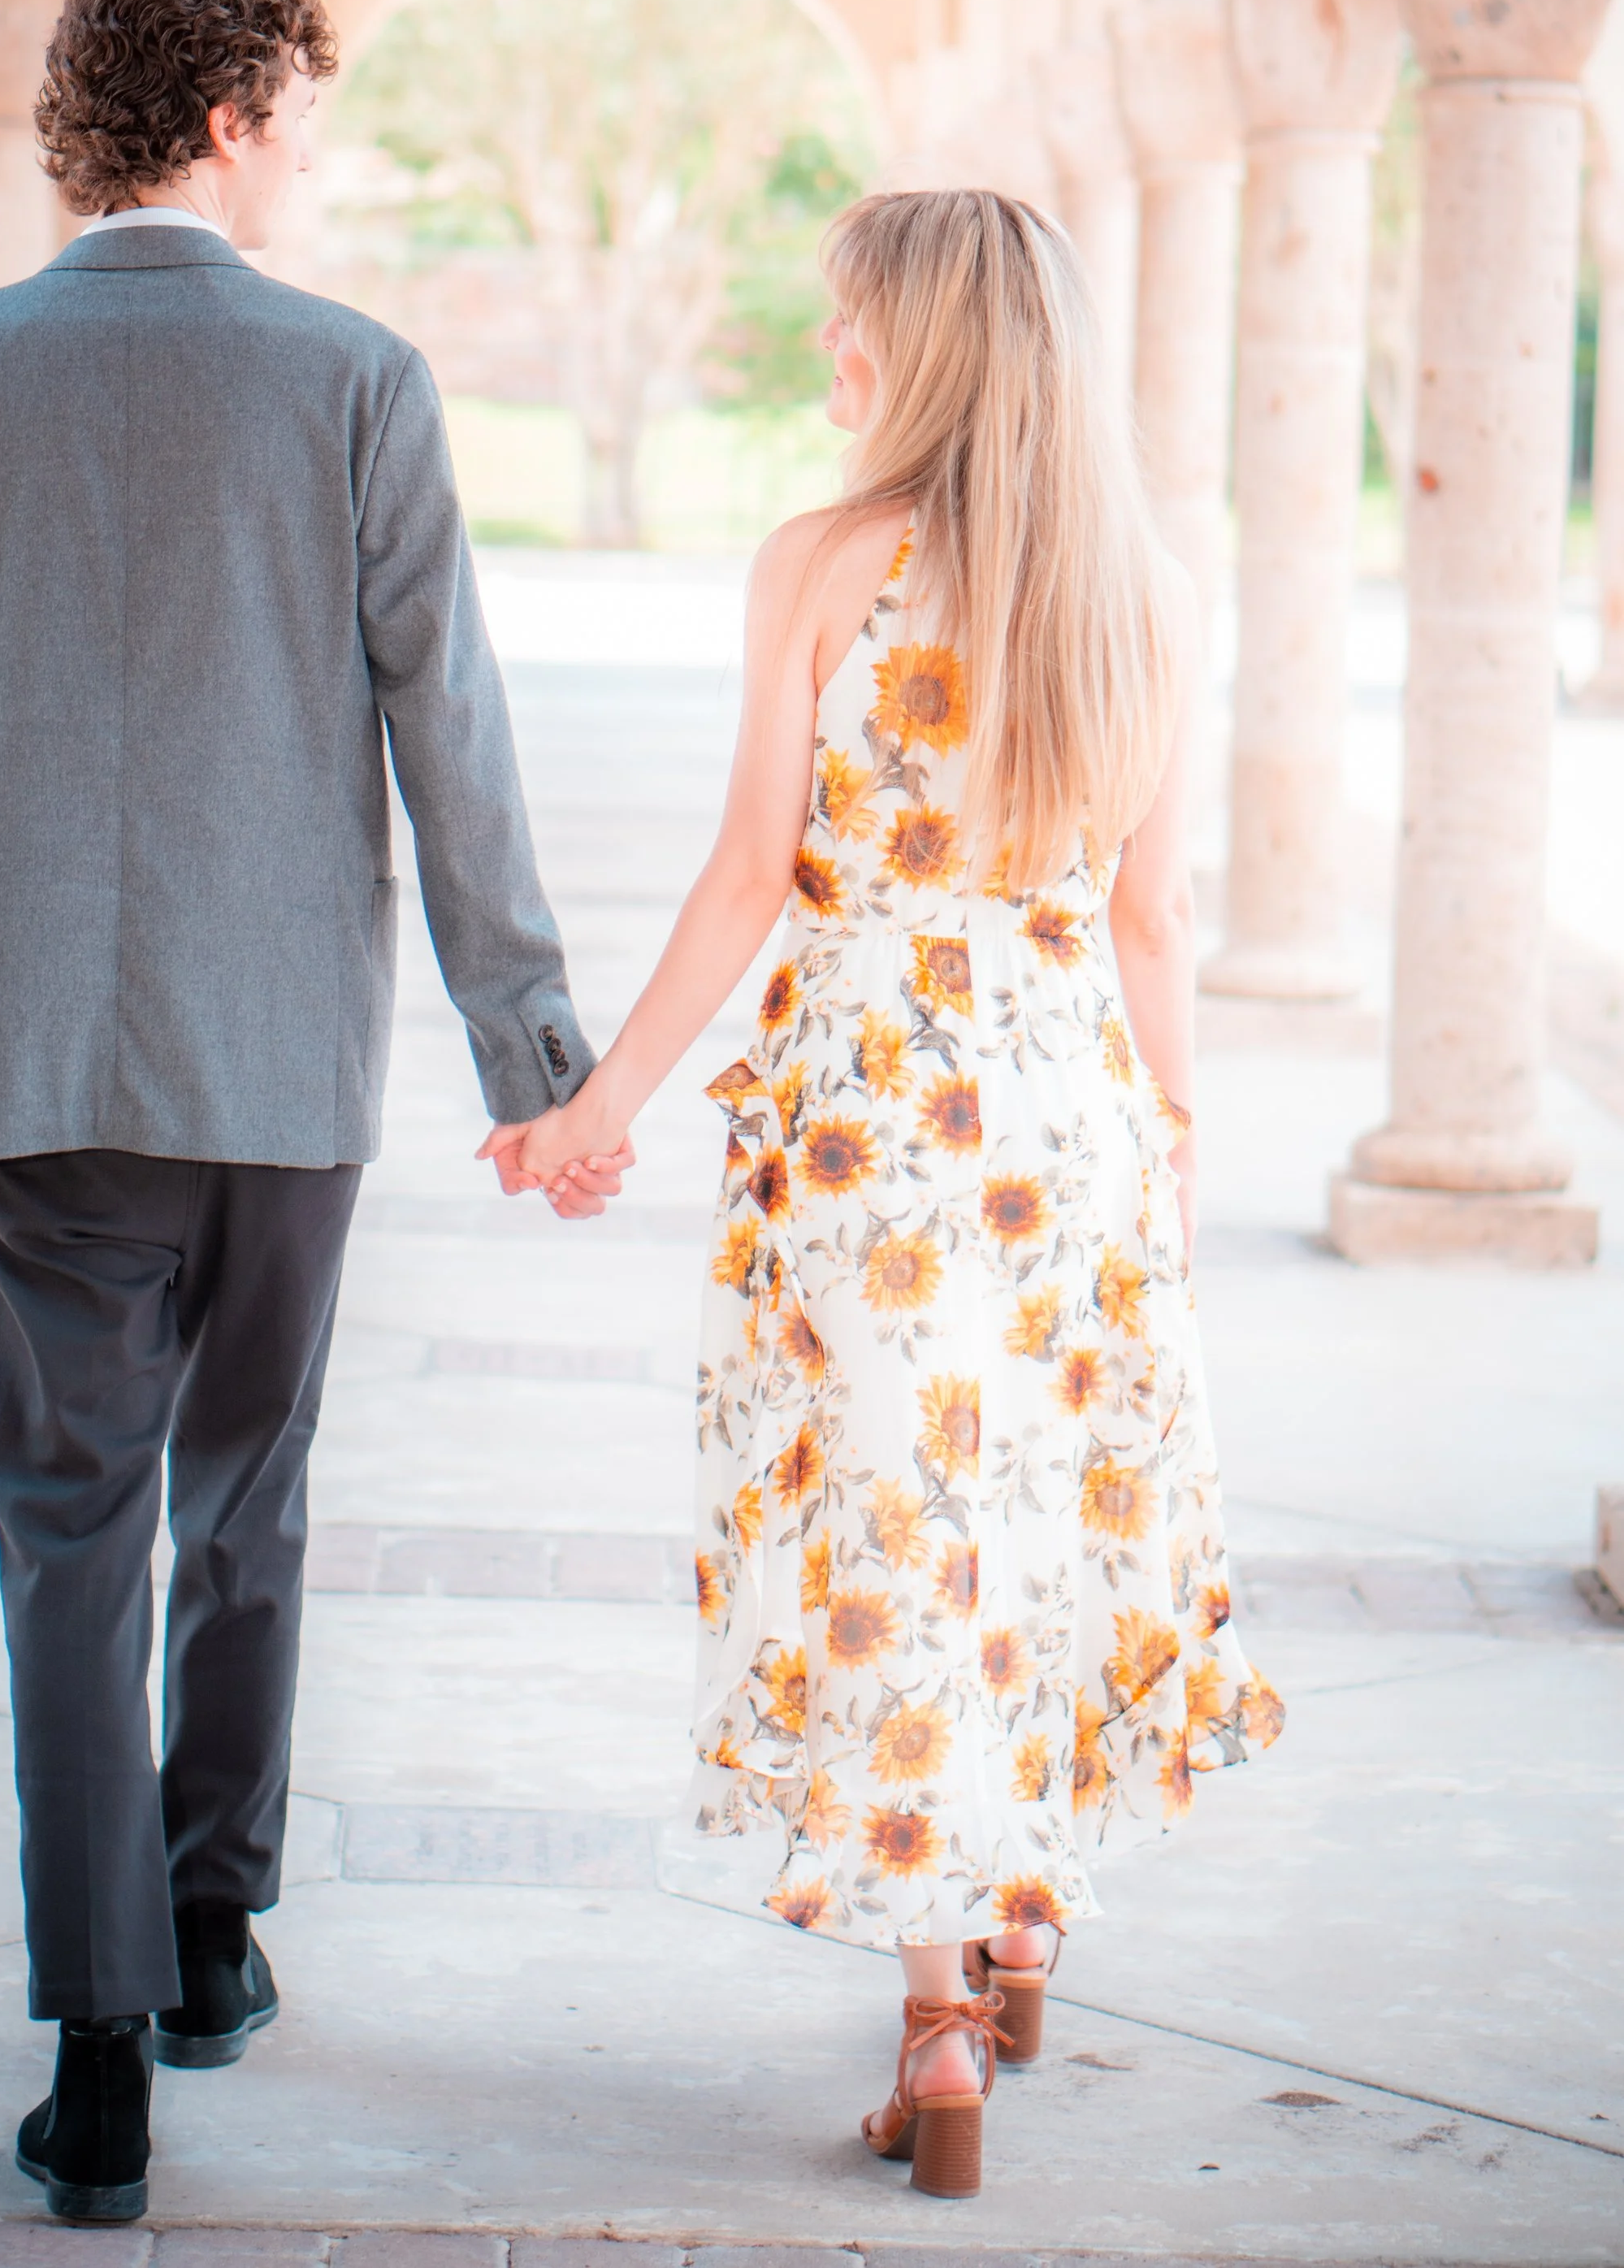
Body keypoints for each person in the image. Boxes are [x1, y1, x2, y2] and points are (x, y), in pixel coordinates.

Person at [0, 0, 622, 2224]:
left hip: (35, 1063)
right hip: (282, 1065)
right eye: (306, 104)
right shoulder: (357, 376)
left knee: (64, 1526)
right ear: (241, 108)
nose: (315, 143)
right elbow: (445, 726)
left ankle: (93, 2066)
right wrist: (529, 1053)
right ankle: (205, 1934)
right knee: (244, 1492)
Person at [518, 187, 1283, 2201]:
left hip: (869, 1112)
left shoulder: (825, 564)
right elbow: (1156, 909)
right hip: (1073, 1114)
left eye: (848, 324)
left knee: (892, 1534)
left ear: (920, 346)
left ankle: (939, 2013)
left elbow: (748, 870)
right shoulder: (1150, 582)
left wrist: (599, 1101)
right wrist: (1174, 1152)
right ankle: (1025, 1919)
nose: (829, 357)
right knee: (1025, 1510)